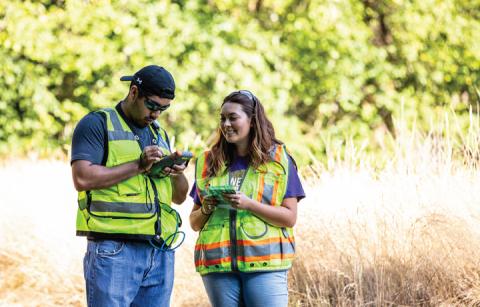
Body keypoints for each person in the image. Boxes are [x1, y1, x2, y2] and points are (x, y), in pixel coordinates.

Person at [71, 65, 189, 307]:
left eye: (164, 108)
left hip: (160, 250)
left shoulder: (160, 133)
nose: (157, 114)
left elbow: (179, 198)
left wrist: (177, 173)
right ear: (134, 92)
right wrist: (139, 165)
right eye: (153, 106)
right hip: (115, 250)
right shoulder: (96, 124)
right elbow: (81, 178)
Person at [189, 90, 305, 307]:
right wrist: (205, 208)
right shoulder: (208, 162)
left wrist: (249, 205)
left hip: (264, 266)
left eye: (233, 118)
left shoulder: (279, 160)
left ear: (252, 120)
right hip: (217, 268)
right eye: (222, 118)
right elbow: (194, 223)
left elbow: (289, 218)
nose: (226, 124)